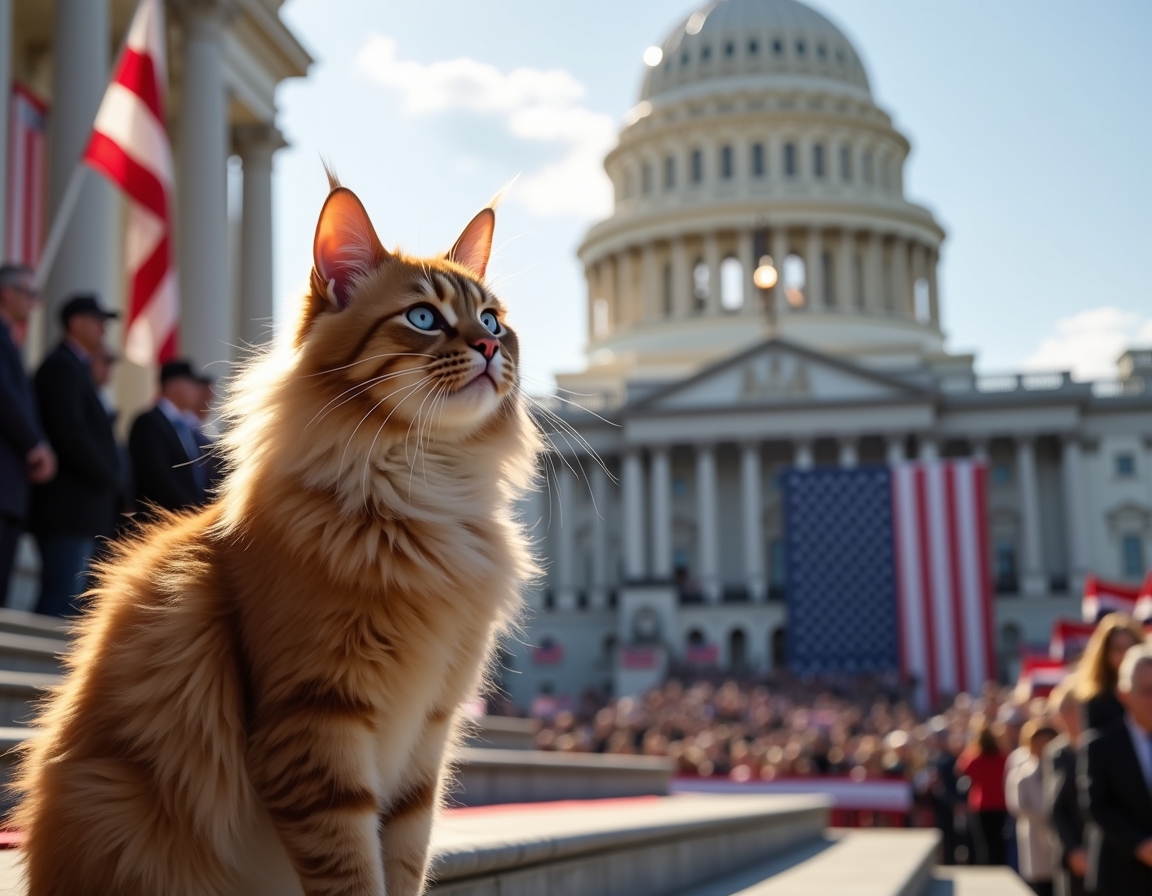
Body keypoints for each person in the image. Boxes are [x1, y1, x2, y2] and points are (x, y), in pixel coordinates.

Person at [28, 294, 120, 617]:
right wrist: (110, 472)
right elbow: (72, 433)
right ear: (76, 324)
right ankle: (35, 669)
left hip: (83, 511)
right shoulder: (61, 368)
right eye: (98, 322)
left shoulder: (77, 370)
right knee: (60, 599)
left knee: (72, 604)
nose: (103, 330)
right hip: (67, 509)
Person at [0, 265, 55, 604]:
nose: (33, 303)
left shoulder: (10, 339)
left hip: (11, 487)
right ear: (7, 292)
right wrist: (35, 444)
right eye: (29, 294)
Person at [1081, 643, 1152, 895]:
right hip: (1121, 876)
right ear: (1124, 694)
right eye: (1147, 691)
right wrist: (1141, 844)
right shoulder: (1100, 745)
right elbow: (1097, 806)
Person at [128, 360, 213, 514]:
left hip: (188, 521)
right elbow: (157, 476)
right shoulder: (149, 423)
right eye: (192, 384)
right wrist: (190, 510)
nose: (197, 390)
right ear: (174, 386)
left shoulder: (188, 428)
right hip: (159, 522)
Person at [1045, 678, 1087, 896]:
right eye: (1062, 711)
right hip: (1073, 852)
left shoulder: (1099, 747)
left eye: (1072, 709)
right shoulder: (1056, 753)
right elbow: (1055, 807)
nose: (1068, 716)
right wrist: (1073, 849)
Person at [1007, 719, 1059, 895]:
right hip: (1036, 836)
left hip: (1061, 835)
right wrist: (1048, 818)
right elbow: (1018, 806)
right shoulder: (1023, 774)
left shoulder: (1061, 768)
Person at [1075, 613, 1145, 733]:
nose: (1125, 654)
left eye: (1131, 647)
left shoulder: (1148, 691)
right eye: (1118, 649)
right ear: (1105, 654)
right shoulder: (1097, 700)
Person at [956, 715, 1009, 865]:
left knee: (984, 843)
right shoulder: (1003, 757)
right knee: (998, 841)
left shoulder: (974, 758)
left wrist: (971, 745)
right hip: (999, 803)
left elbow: (960, 767)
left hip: (981, 805)